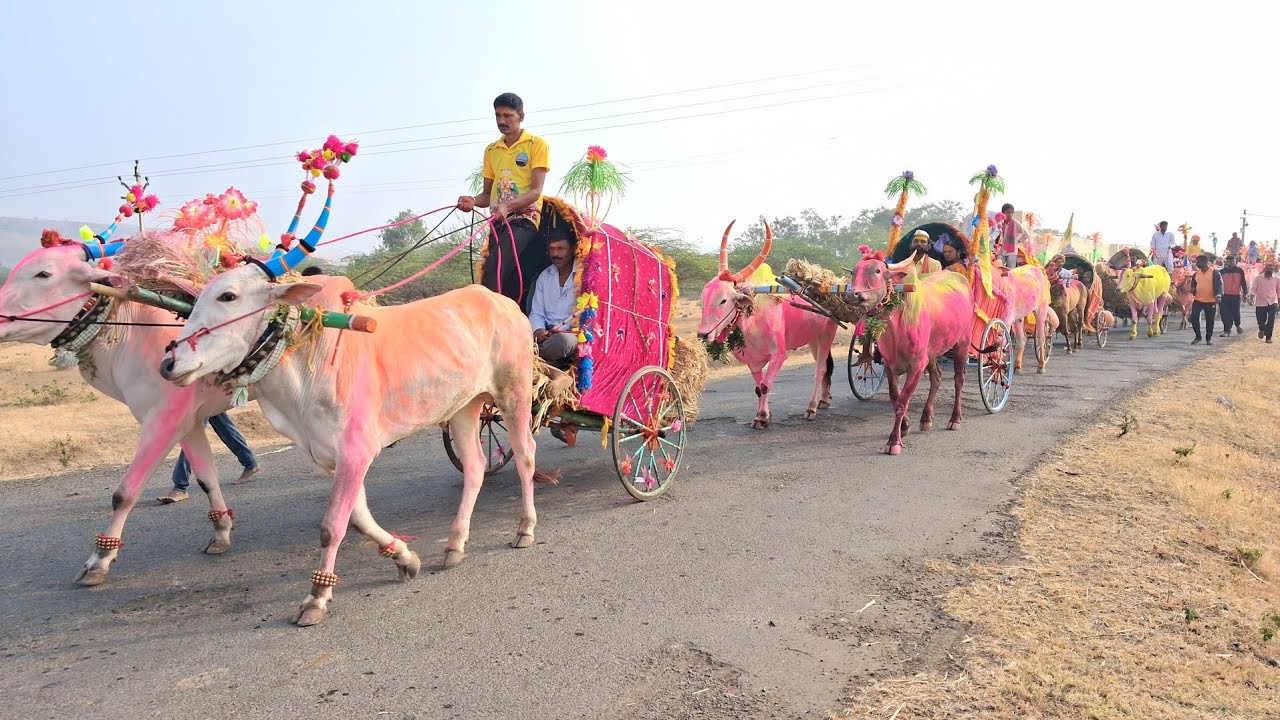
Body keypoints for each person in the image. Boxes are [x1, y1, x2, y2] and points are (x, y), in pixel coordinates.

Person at [457, 92, 551, 308]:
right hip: (499, 221)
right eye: (498, 115)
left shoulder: (536, 145)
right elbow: (486, 195)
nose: (501, 121)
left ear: (521, 116)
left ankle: (490, 321)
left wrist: (508, 206)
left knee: (495, 268)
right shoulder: (492, 150)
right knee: (501, 274)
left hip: (524, 219)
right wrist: (471, 201)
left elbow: (536, 191)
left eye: (508, 116)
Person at [157, 413, 259, 504]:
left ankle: (180, 486)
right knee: (221, 423)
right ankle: (250, 463)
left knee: (193, 434)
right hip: (210, 393)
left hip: (202, 394)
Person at [527, 235, 579, 363]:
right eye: (552, 249)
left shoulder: (583, 276)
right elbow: (536, 312)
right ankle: (535, 355)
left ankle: (527, 356)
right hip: (545, 334)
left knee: (563, 342)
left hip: (570, 335)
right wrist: (538, 330)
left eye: (561, 248)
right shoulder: (545, 276)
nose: (555, 254)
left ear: (572, 250)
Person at [1188, 254, 1223, 345]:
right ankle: (1198, 337)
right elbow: (1193, 285)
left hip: (1210, 300)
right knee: (1194, 317)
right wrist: (1192, 289)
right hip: (1198, 300)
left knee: (1210, 321)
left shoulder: (1215, 273)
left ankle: (1208, 339)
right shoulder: (1196, 274)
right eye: (1196, 262)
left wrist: (1218, 295)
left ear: (1205, 262)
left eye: (1199, 262)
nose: (1197, 264)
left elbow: (1219, 285)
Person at [1219, 255, 1248, 337]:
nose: (1231, 263)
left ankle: (1238, 325)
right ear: (1226, 262)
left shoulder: (1240, 271)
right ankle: (1227, 330)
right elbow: (1218, 284)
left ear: (1235, 262)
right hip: (1224, 296)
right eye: (1230, 261)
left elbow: (1243, 282)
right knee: (1224, 313)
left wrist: (1245, 293)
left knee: (1236, 312)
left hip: (1236, 295)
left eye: (1233, 261)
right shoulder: (1222, 272)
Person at [1252, 262, 1280, 343]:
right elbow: (1254, 289)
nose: (1269, 270)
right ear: (1264, 269)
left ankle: (1268, 338)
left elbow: (1279, 291)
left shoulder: (1277, 279)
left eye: (1271, 269)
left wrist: (1279, 302)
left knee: (1271, 319)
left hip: (1273, 301)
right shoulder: (1258, 278)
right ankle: (1262, 329)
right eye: (1268, 269)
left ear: (1274, 270)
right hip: (1261, 301)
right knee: (1260, 320)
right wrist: (1251, 297)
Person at [997, 203, 1029, 268]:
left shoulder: (1016, 223)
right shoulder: (1000, 223)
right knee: (998, 268)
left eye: (1012, 213)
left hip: (1012, 252)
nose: (1010, 214)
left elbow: (1026, 234)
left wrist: (1018, 241)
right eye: (1008, 212)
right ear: (1003, 213)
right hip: (1001, 251)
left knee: (1010, 271)